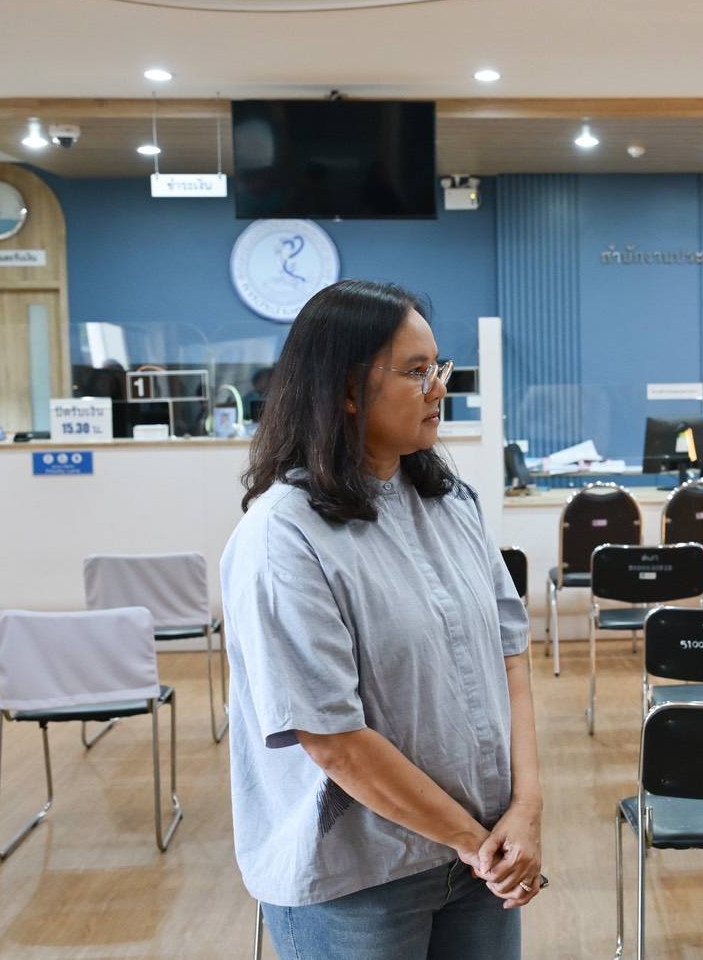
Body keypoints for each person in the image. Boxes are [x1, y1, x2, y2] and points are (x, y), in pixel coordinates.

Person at [221, 280, 543, 959]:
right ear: (346, 389)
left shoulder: (451, 502)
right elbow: (332, 737)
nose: (439, 388)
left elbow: (509, 658)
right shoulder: (284, 535)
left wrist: (526, 809)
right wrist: (473, 840)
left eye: (438, 366)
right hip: (360, 878)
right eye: (415, 371)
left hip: (481, 855)